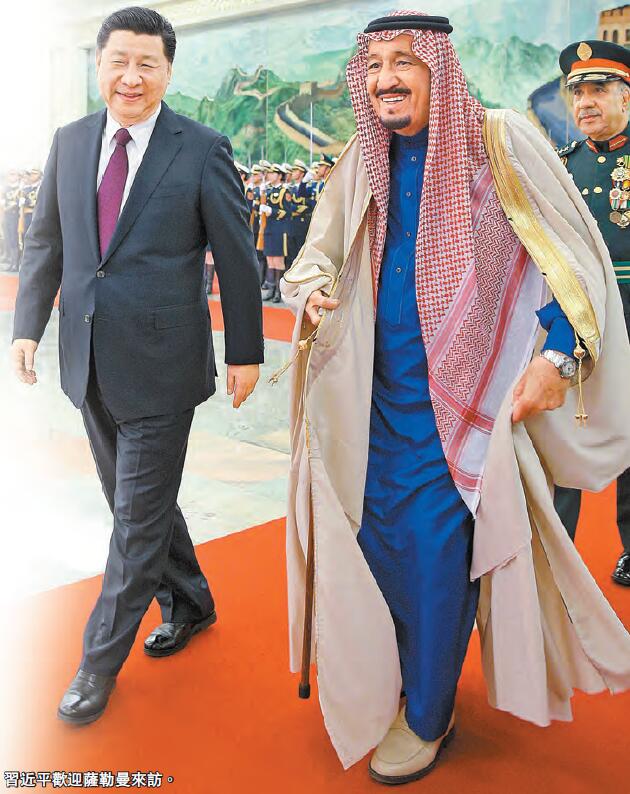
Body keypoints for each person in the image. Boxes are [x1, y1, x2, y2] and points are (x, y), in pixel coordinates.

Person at [280, 11, 630, 784]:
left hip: (466, 406)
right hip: (373, 405)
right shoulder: (364, 158)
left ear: (439, 66)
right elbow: (316, 255)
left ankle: (429, 714)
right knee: (380, 551)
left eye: (404, 62)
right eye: (375, 65)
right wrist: (313, 290)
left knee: (439, 558)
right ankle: (405, 681)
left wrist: (559, 357)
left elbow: (569, 257)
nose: (386, 80)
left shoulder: (499, 141)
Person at [11, 6, 263, 725]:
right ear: (100, 65)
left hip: (162, 365)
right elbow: (46, 242)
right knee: (141, 505)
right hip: (87, 360)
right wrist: (28, 328)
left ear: (167, 71)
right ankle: (191, 599)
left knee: (133, 520)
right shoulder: (70, 142)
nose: (131, 76)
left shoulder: (201, 149)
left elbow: (236, 258)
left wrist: (245, 350)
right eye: (119, 61)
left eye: (147, 63)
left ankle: (97, 663)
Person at [555, 39, 630, 586]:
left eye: (599, 89)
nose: (585, 102)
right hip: (578, 318)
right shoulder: (563, 168)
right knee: (565, 428)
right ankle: (558, 550)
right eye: (577, 92)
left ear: (626, 95)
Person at [260, 163, 291, 303]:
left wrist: (272, 211)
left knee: (278, 261)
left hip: (279, 229)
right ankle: (271, 289)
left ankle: (279, 291)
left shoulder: (285, 191)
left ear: (279, 176)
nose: (269, 175)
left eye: (273, 173)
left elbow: (288, 212)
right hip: (269, 228)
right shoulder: (268, 191)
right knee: (270, 260)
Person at [2, 169, 21, 271]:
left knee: (14, 239)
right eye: (10, 174)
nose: (12, 177)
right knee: (8, 238)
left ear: (18, 176)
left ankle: (16, 263)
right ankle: (11, 262)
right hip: (7, 216)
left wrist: (7, 208)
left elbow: (17, 204)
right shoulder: (6, 189)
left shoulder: (20, 189)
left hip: (15, 216)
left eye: (14, 174)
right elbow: (3, 202)